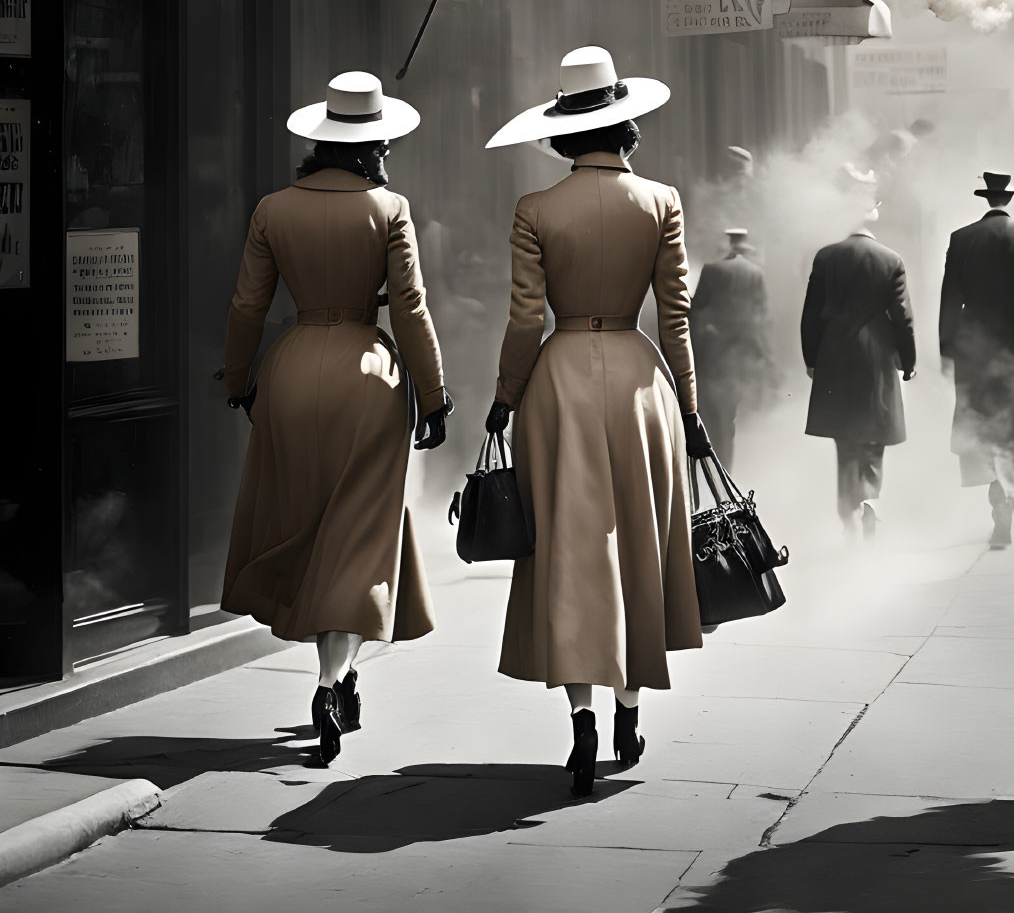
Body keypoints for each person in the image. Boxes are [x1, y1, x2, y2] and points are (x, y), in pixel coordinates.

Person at [484, 46, 710, 797]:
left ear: (563, 131)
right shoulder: (663, 200)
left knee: (570, 547)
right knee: (639, 542)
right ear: (626, 126)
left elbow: (524, 321)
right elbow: (676, 318)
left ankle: (579, 716)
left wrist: (506, 395)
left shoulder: (535, 210)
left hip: (558, 386)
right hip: (643, 384)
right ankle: (629, 707)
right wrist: (691, 403)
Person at [220, 72, 450, 766]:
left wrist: (239, 381)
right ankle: (330, 683)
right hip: (368, 381)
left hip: (289, 374)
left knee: (310, 530)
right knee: (352, 542)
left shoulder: (272, 208)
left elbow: (246, 308)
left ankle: (339, 677)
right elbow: (409, 308)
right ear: (375, 141)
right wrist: (434, 396)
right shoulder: (390, 206)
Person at [940, 171, 1014, 547]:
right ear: (1010, 199)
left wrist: (945, 349)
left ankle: (995, 493)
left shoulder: (961, 239)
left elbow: (949, 299)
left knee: (979, 424)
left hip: (973, 350)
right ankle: (1006, 495)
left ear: (986, 199)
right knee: (1011, 427)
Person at [801, 183, 916, 539]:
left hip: (835, 358)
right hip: (876, 360)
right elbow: (902, 317)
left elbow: (811, 314)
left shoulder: (826, 257)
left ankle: (847, 510)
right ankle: (870, 502)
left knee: (845, 439)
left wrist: (811, 358)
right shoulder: (891, 259)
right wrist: (907, 360)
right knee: (873, 439)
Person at [689, 227, 770, 470]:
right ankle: (728, 469)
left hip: (714, 354)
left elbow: (698, 306)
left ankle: (712, 469)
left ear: (728, 244)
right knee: (729, 417)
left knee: (709, 415)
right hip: (741, 355)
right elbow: (762, 316)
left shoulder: (713, 270)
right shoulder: (755, 273)